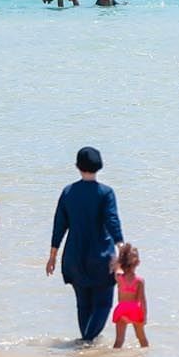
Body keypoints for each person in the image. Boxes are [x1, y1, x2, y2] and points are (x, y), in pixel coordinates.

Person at [46, 146, 125, 343]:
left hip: (74, 257)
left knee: (83, 305)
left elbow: (59, 224)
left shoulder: (68, 192)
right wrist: (121, 246)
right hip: (101, 258)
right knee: (103, 304)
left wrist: (53, 255)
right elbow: (111, 220)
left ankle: (86, 345)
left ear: (77, 166)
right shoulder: (106, 193)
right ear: (99, 166)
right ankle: (86, 343)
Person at [110, 242, 149, 349]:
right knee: (142, 338)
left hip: (122, 309)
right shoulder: (139, 281)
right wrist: (144, 316)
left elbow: (117, 267)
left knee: (119, 340)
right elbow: (143, 300)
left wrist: (121, 253)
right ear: (138, 263)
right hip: (135, 310)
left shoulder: (119, 277)